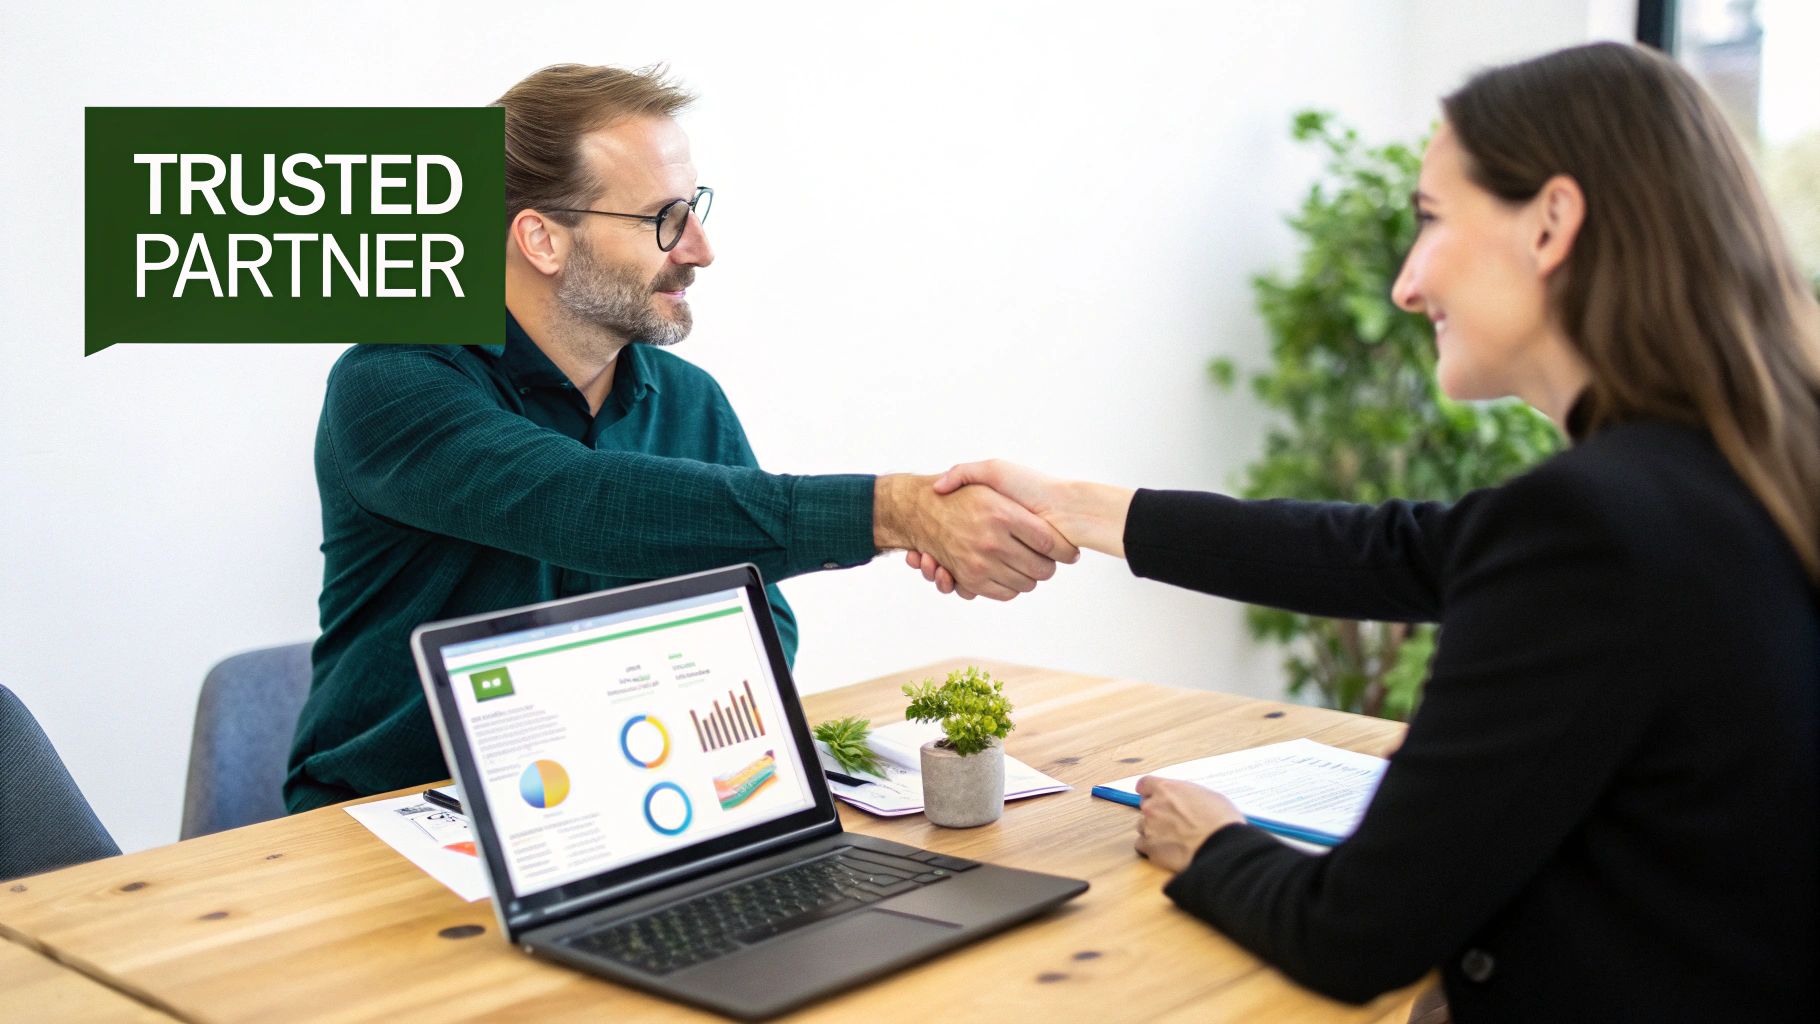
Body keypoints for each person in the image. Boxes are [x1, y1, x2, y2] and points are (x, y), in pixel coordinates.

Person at [910, 42, 1818, 1020]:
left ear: (1552, 221)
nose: (1405, 284)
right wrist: (1074, 507)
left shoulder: (1589, 524)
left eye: (1429, 220)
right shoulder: (1746, 470)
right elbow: (1394, 548)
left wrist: (1207, 839)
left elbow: (1352, 934)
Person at [284, 65, 1076, 812]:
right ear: (541, 239)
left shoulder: (691, 401)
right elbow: (579, 505)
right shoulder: (392, 381)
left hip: (616, 808)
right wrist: (894, 508)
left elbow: (759, 614)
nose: (699, 248)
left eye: (693, 207)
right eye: (663, 219)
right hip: (391, 821)